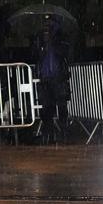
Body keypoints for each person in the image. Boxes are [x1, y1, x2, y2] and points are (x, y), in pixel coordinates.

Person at [35, 16, 70, 144]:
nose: (46, 25)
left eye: (49, 22)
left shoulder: (60, 37)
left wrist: (52, 43)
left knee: (61, 106)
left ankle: (63, 133)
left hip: (58, 77)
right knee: (46, 108)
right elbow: (36, 54)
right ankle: (48, 133)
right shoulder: (40, 37)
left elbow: (65, 52)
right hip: (45, 78)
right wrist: (42, 45)